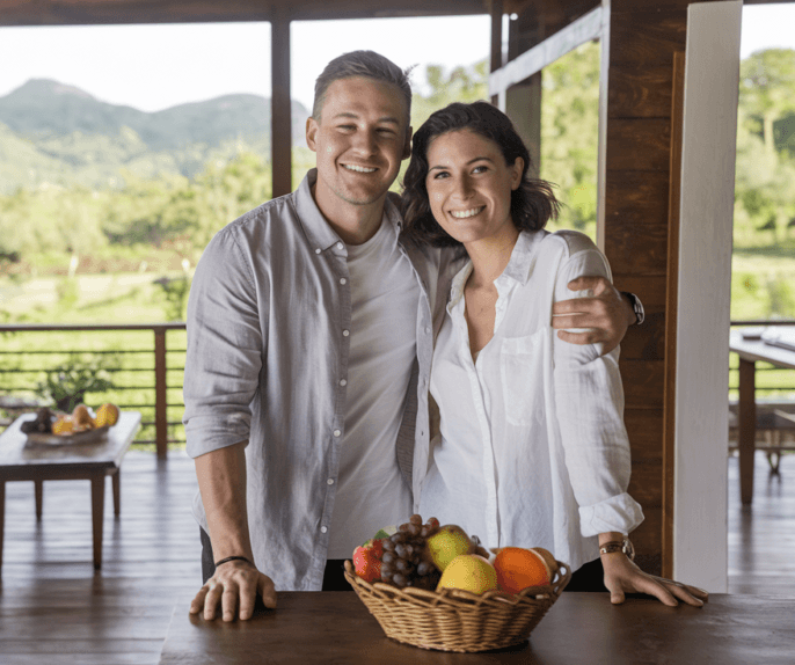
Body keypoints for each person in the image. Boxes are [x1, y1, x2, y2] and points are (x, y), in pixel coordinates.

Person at [183, 51, 637, 623]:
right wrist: (231, 556)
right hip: (263, 548)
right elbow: (214, 411)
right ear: (312, 133)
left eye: (385, 131)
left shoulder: (434, 246)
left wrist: (623, 309)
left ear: (403, 152)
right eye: (346, 126)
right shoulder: (244, 253)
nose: (364, 147)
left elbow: (516, 264)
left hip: (394, 556)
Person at [403, 101, 707, 607]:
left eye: (479, 169)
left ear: (515, 170)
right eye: (441, 174)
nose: (460, 192)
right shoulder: (439, 287)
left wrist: (612, 543)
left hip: (554, 556)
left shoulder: (563, 259)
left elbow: (588, 407)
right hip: (457, 562)